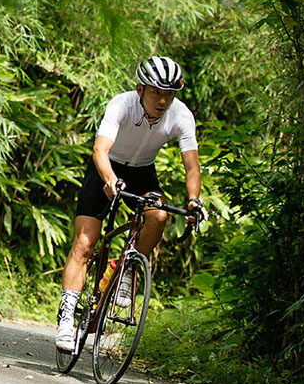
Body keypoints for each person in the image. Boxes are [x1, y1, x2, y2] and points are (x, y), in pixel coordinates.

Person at [55, 55, 207, 351]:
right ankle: (66, 319)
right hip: (106, 168)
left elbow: (192, 166)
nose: (163, 101)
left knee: (159, 216)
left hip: (142, 172)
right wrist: (110, 179)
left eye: (170, 94)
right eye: (156, 92)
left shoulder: (181, 115)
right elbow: (100, 149)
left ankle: (127, 270)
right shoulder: (122, 104)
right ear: (140, 89)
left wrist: (193, 200)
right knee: (85, 242)